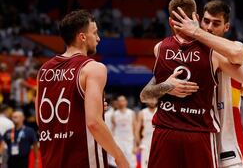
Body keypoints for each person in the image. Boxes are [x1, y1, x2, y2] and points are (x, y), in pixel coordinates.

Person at [140, 0, 243, 168]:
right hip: (197, 132)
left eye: (216, 23)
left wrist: (238, 92)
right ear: (198, 18)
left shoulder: (225, 51)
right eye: (206, 21)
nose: (209, 27)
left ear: (226, 26)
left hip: (224, 139)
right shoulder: (170, 50)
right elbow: (146, 94)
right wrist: (167, 86)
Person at [35, 9, 129, 168]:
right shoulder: (93, 68)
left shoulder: (44, 70)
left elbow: (41, 120)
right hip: (83, 161)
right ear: (83, 37)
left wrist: (86, 108)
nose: (98, 38)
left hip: (51, 160)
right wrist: (119, 157)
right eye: (95, 33)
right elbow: (94, 123)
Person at [111, 95, 138, 168]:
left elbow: (135, 129)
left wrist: (136, 145)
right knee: (117, 163)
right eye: (119, 101)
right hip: (118, 141)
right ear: (117, 102)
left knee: (131, 164)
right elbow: (113, 130)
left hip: (129, 141)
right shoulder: (114, 114)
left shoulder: (131, 113)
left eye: (123, 100)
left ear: (126, 102)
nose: (121, 102)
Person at [136, 98, 157, 168]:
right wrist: (138, 144)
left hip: (157, 141)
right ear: (146, 101)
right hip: (145, 142)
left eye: (154, 99)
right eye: (150, 99)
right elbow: (137, 130)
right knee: (144, 165)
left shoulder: (160, 112)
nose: (152, 101)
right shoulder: (142, 113)